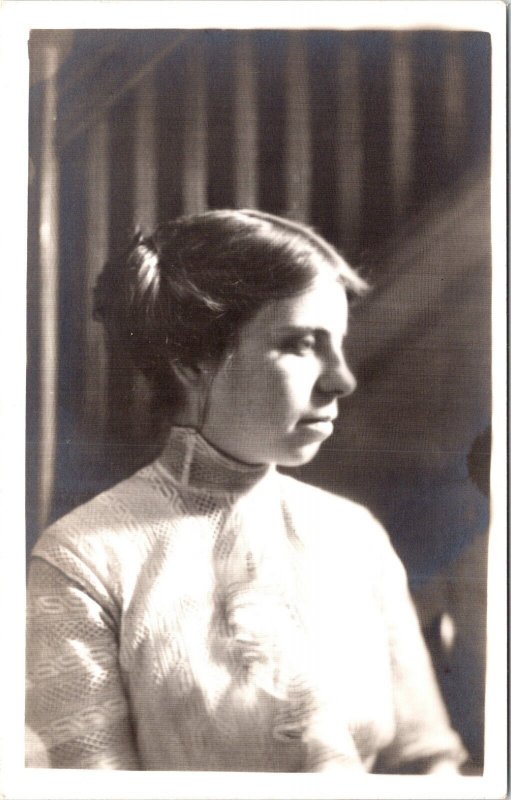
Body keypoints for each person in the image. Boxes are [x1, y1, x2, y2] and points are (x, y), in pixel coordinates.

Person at [25, 209, 467, 773]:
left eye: (339, 344)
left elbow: (426, 761)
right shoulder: (85, 560)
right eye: (303, 344)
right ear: (192, 360)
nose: (342, 380)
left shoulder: (355, 537)